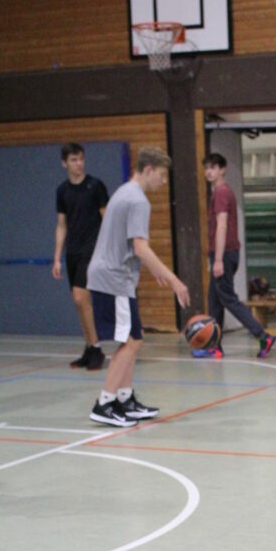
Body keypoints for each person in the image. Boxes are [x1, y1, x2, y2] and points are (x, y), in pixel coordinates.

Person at [87, 146, 189, 427]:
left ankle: (124, 398)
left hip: (112, 276)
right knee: (131, 341)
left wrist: (153, 269)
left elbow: (130, 246)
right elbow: (141, 247)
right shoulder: (138, 201)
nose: (164, 181)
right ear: (148, 170)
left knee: (134, 337)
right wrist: (174, 280)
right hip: (114, 278)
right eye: (162, 175)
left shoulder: (123, 192)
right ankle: (105, 403)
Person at [198, 152, 276, 360]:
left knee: (228, 299)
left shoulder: (221, 193)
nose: (209, 172)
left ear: (222, 169)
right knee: (214, 301)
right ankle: (215, 347)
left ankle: (263, 336)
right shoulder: (220, 192)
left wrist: (218, 260)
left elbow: (222, 225)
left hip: (224, 254)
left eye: (213, 167)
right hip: (225, 253)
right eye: (206, 168)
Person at [52, 143, 109, 371]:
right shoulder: (62, 191)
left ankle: (97, 348)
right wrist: (57, 258)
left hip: (92, 249)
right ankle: (89, 347)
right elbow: (61, 225)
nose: (78, 164)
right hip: (73, 252)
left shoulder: (95, 186)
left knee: (80, 297)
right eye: (73, 160)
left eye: (81, 159)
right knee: (79, 302)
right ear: (64, 163)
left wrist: (108, 249)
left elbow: (107, 218)